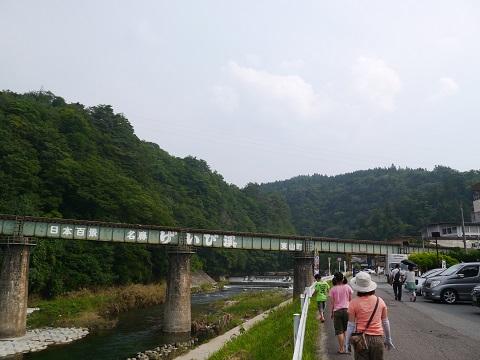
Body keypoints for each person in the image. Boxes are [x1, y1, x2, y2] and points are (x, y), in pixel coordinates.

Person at [345, 271, 395, 359]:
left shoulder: (353, 303)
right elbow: (385, 322)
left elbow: (350, 325)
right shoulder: (380, 301)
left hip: (360, 339)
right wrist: (388, 339)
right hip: (377, 339)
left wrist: (347, 344)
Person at [328, 272, 353, 354]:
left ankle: (342, 348)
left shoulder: (333, 289)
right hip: (347, 310)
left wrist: (331, 312)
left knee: (339, 331)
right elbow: (350, 301)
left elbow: (332, 302)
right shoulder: (348, 287)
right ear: (343, 278)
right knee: (346, 329)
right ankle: (347, 347)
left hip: (337, 311)